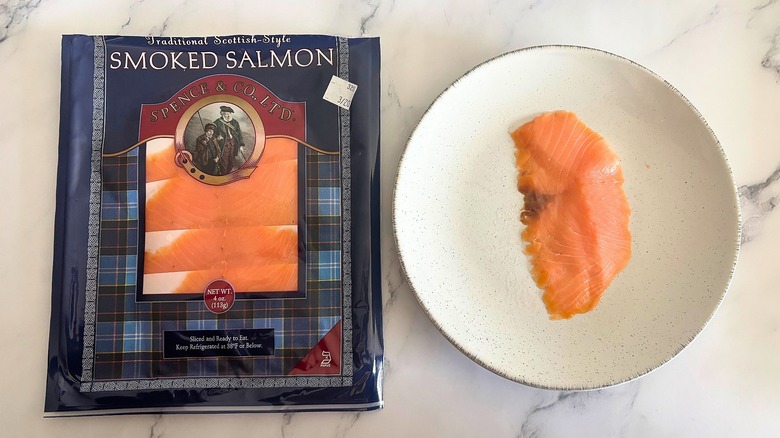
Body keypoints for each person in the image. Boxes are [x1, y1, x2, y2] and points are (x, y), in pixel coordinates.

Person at [213, 106, 246, 175]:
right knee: (224, 162)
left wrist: (241, 145)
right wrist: (217, 137)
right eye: (225, 114)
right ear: (222, 113)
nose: (227, 115)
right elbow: (212, 133)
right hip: (223, 145)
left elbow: (239, 134)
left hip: (233, 145)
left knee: (231, 162)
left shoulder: (235, 122)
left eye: (229, 114)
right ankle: (223, 175)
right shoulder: (217, 122)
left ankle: (228, 175)